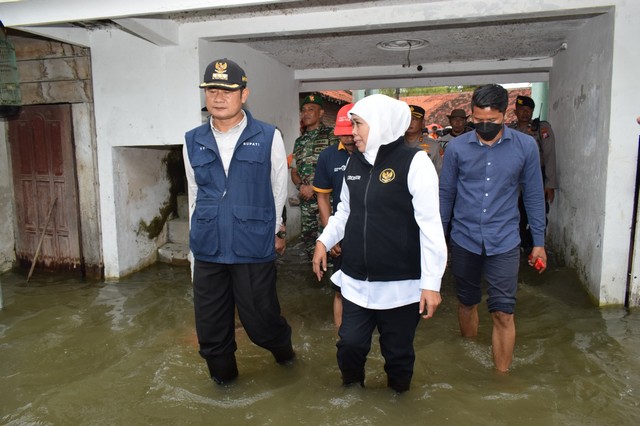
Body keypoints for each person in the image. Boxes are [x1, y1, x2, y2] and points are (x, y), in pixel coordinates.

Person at [312, 94, 447, 393]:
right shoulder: (354, 164)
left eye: (358, 125)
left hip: (401, 286)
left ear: (382, 125)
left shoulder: (415, 163)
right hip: (357, 280)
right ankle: (352, 393)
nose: (353, 132)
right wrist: (323, 242)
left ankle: (398, 403)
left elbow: (430, 226)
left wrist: (431, 283)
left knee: (397, 355)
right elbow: (344, 211)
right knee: (349, 345)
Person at [183, 58, 294, 385]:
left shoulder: (268, 135)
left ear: (244, 94)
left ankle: (285, 354)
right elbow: (194, 192)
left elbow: (278, 185)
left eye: (227, 90)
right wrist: (193, 251)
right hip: (208, 250)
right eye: (212, 90)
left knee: (261, 324)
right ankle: (225, 390)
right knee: (211, 333)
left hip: (251, 247)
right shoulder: (192, 139)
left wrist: (273, 231)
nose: (218, 97)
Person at [439, 84, 547, 373]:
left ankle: (501, 377)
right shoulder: (456, 148)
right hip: (464, 239)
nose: (484, 126)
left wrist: (538, 242)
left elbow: (534, 194)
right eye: (479, 120)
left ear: (505, 114)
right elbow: (446, 194)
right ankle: (469, 354)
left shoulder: (525, 146)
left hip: (505, 240)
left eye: (492, 121)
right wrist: (438, 239)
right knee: (467, 302)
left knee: (503, 311)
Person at [312, 103, 356, 331]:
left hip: (371, 232)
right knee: (340, 289)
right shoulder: (328, 157)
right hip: (340, 231)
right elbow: (323, 200)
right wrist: (331, 237)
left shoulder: (373, 154)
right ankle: (341, 339)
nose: (348, 139)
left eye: (352, 132)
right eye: (343, 134)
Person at [291, 94, 338, 259]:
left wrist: (314, 187)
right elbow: (294, 171)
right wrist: (300, 186)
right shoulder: (299, 141)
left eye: (311, 109)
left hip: (328, 202)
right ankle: (318, 278)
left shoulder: (332, 136)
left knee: (332, 243)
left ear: (321, 113)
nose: (306, 113)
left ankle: (333, 282)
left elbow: (338, 168)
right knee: (310, 243)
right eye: (303, 110)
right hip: (306, 205)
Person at [509, 95, 558, 251]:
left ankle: (537, 245)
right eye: (522, 110)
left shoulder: (541, 128)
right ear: (515, 111)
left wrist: (550, 183)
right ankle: (521, 244)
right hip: (515, 176)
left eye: (528, 110)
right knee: (516, 212)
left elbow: (550, 155)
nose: (525, 113)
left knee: (538, 210)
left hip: (537, 174)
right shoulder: (510, 130)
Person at [405, 105, 441, 173]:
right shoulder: (395, 144)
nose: (410, 122)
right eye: (407, 119)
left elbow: (439, 172)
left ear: (423, 123)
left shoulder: (433, 146)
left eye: (414, 119)